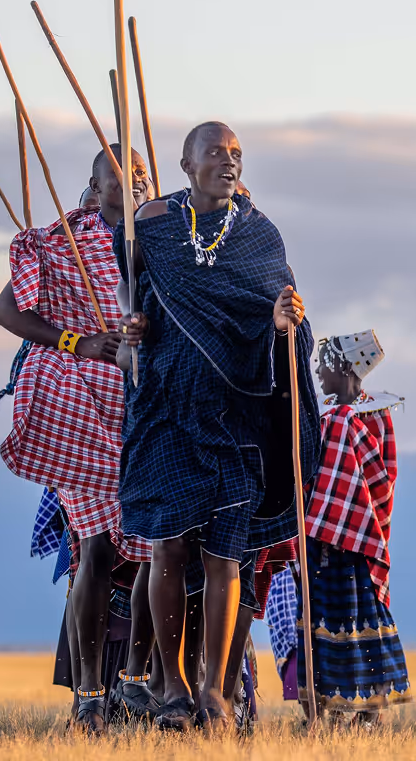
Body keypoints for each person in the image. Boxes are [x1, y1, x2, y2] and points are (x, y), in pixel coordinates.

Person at [117, 121, 321, 731]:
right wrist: (133, 327)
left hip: (237, 415)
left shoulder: (259, 233)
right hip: (166, 406)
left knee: (226, 555)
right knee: (170, 547)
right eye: (215, 153)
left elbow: (281, 318)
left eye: (236, 154)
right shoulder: (150, 224)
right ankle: (173, 685)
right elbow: (135, 297)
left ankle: (215, 689)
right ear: (186, 164)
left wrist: (286, 323)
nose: (229, 162)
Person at [0, 145, 154, 733]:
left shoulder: (159, 237)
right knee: (97, 550)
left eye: (139, 171)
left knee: (151, 552)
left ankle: (136, 683)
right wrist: (77, 342)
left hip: (143, 409)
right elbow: (6, 311)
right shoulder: (62, 240)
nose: (131, 180)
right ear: (92, 184)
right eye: (117, 173)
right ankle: (88, 692)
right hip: (77, 412)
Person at [281, 329, 412, 724]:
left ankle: (370, 713)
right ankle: (325, 713)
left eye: (323, 365)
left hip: (354, 542)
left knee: (358, 624)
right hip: (323, 541)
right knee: (325, 626)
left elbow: (380, 478)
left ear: (344, 366)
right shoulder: (325, 413)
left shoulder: (362, 416)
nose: (318, 373)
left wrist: (333, 516)